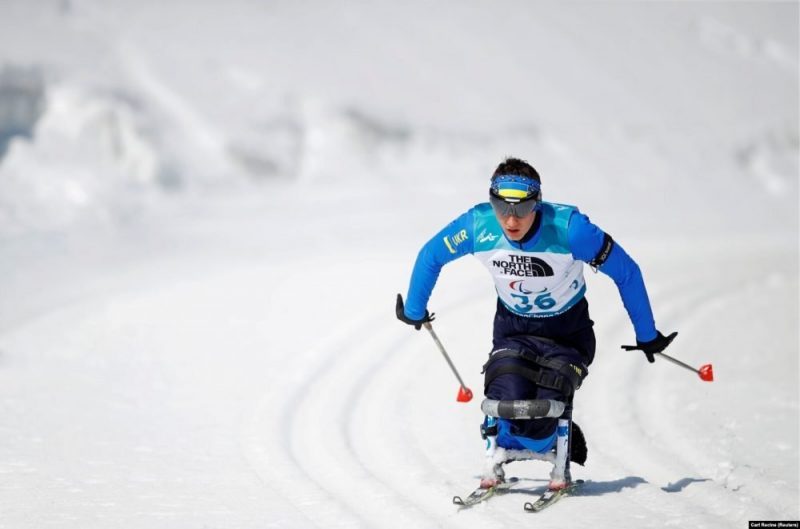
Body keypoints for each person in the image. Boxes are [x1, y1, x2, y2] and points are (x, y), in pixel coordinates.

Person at [396, 157, 677, 491]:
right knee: (507, 403)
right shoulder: (477, 226)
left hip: (567, 334)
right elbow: (432, 254)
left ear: (537, 203)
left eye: (522, 207)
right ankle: (509, 443)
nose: (511, 219)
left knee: (543, 416)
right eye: (501, 206)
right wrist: (415, 309)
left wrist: (647, 334)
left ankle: (556, 439)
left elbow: (626, 271)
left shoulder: (571, 230)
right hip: (513, 331)